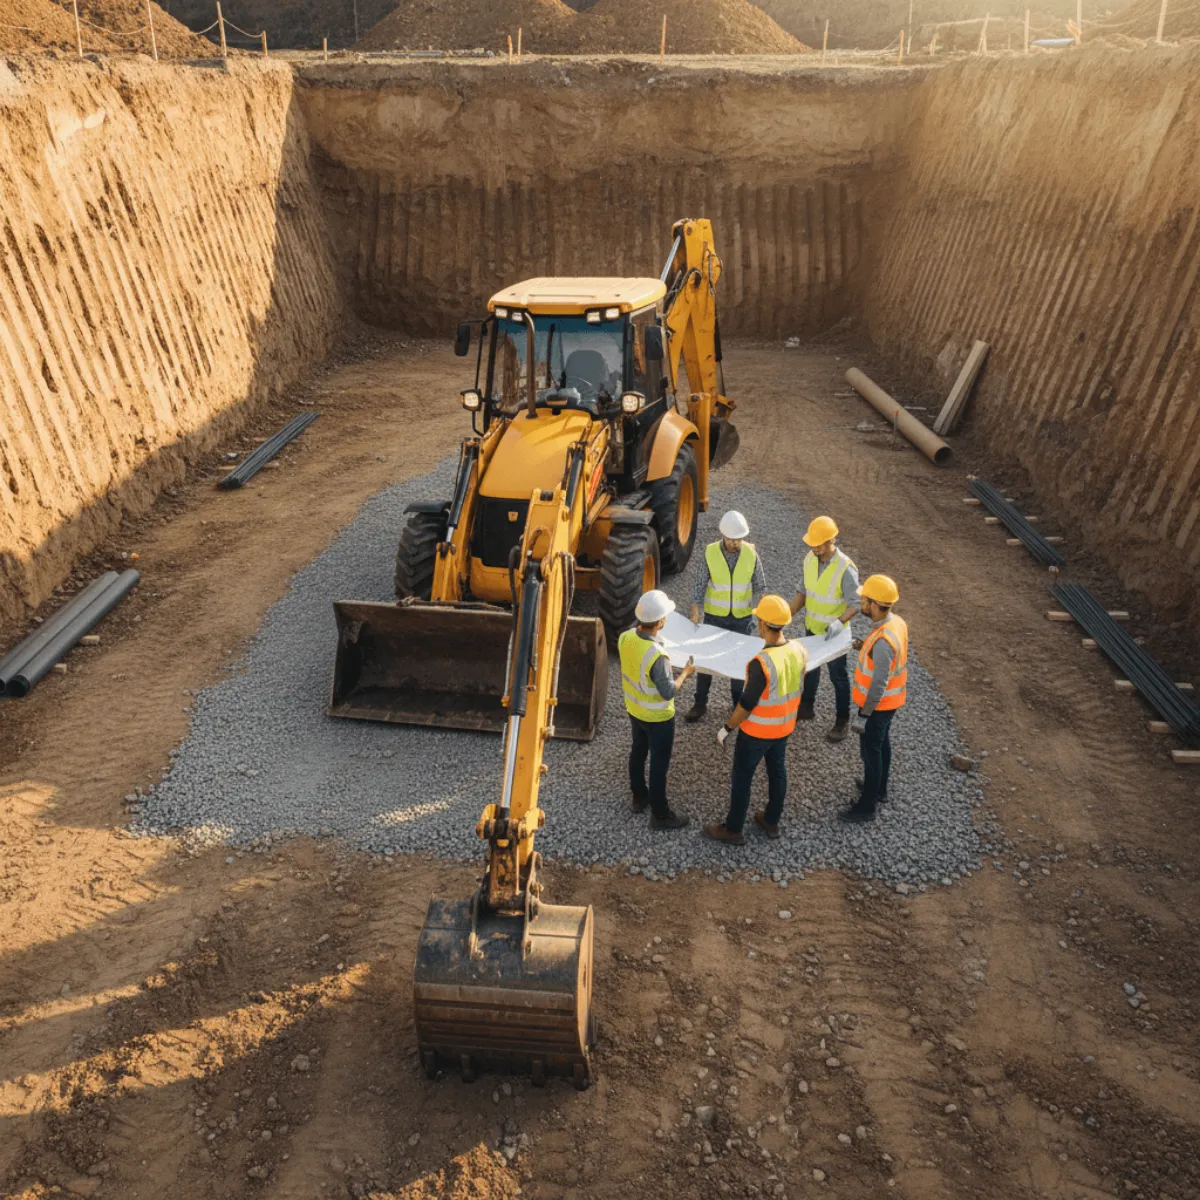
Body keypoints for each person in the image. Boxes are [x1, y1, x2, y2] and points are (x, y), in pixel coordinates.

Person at [702, 596, 807, 846]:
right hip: (784, 727)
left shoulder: (762, 663)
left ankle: (733, 829)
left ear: (762, 624)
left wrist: (726, 728)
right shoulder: (799, 650)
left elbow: (746, 705)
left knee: (742, 778)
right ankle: (771, 820)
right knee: (777, 772)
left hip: (757, 733)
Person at [618, 589, 696, 831]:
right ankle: (660, 815)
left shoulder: (625, 637)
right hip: (658, 718)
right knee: (659, 765)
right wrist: (685, 673)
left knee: (638, 751)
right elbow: (668, 691)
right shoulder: (657, 655)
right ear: (661, 621)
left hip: (635, 709)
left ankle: (639, 797)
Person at [684, 510, 767, 723]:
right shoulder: (710, 552)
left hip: (741, 619)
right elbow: (699, 584)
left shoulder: (751, 554)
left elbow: (760, 586)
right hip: (715, 618)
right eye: (731, 539)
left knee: (739, 664)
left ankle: (738, 705)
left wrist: (762, 614)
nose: (734, 543)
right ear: (723, 535)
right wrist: (695, 611)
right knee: (706, 662)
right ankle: (700, 704)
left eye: (738, 539)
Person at [840, 575, 908, 824]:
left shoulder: (882, 642)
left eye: (865, 600)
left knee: (871, 753)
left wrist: (864, 714)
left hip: (877, 707)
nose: (862, 604)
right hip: (891, 703)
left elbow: (879, 683)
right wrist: (862, 646)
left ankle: (866, 806)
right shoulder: (896, 623)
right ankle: (879, 789)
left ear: (875, 604)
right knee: (881, 745)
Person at [790, 515, 859, 743]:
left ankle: (842, 721)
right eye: (812, 544)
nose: (814, 548)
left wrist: (839, 622)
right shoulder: (809, 559)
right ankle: (807, 707)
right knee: (810, 668)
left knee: (838, 677)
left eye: (818, 544)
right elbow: (802, 594)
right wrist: (785, 615)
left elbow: (856, 603)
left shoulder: (845, 568)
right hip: (813, 628)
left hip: (834, 635)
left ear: (832, 540)